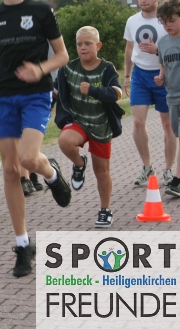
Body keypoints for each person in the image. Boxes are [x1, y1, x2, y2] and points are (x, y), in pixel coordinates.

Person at [0, 0, 72, 278]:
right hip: (4, 96)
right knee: (10, 170)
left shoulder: (42, 11)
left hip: (36, 94)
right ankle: (22, 245)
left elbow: (62, 55)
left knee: (29, 159)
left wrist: (40, 69)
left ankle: (53, 175)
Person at [54, 26, 123, 228]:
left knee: (101, 171)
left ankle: (105, 210)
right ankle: (79, 163)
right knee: (64, 141)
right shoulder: (68, 68)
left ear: (98, 46)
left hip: (101, 125)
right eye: (79, 44)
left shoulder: (107, 68)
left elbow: (117, 93)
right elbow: (55, 92)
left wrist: (93, 90)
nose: (83, 48)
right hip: (78, 121)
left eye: (88, 43)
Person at [124, 0, 176, 187]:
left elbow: (176, 47)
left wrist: (157, 51)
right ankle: (147, 166)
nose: (143, 1)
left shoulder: (166, 21)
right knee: (137, 123)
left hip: (164, 75)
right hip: (140, 76)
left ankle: (169, 170)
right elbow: (129, 48)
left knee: (168, 125)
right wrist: (127, 75)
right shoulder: (132, 21)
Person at [153, 0, 180, 197]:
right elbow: (163, 65)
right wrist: (160, 77)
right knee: (178, 134)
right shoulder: (163, 42)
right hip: (172, 95)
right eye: (164, 22)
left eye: (172, 20)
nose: (168, 25)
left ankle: (178, 180)